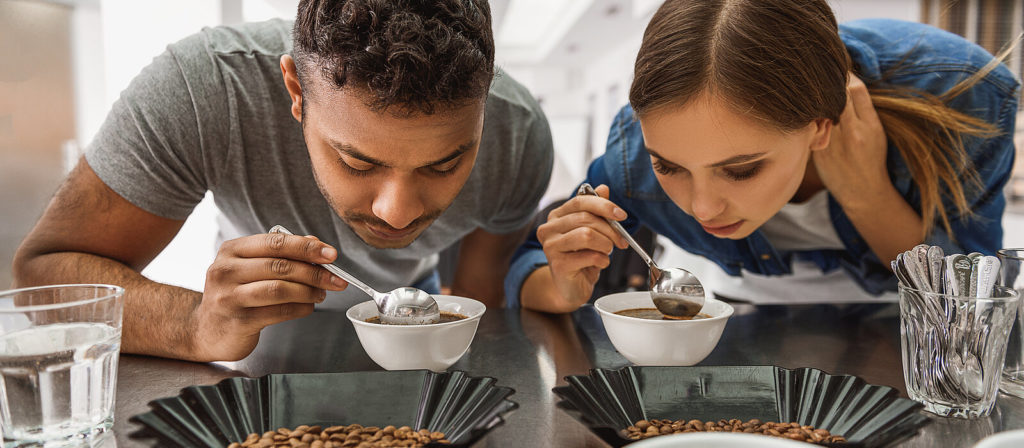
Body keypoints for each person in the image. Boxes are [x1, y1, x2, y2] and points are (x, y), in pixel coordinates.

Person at [12, 0, 553, 361]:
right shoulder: (206, 88)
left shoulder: (519, 134)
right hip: (255, 343)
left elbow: (483, 303)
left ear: (486, 107)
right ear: (295, 89)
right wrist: (195, 324)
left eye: (442, 165)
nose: (397, 212)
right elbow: (43, 277)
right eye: (358, 163)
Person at [505, 0, 1019, 313]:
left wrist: (868, 197)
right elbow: (530, 264)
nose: (703, 209)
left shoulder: (963, 96)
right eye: (671, 167)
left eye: (743, 169)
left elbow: (965, 303)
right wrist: (562, 287)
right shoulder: (630, 158)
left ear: (820, 126)